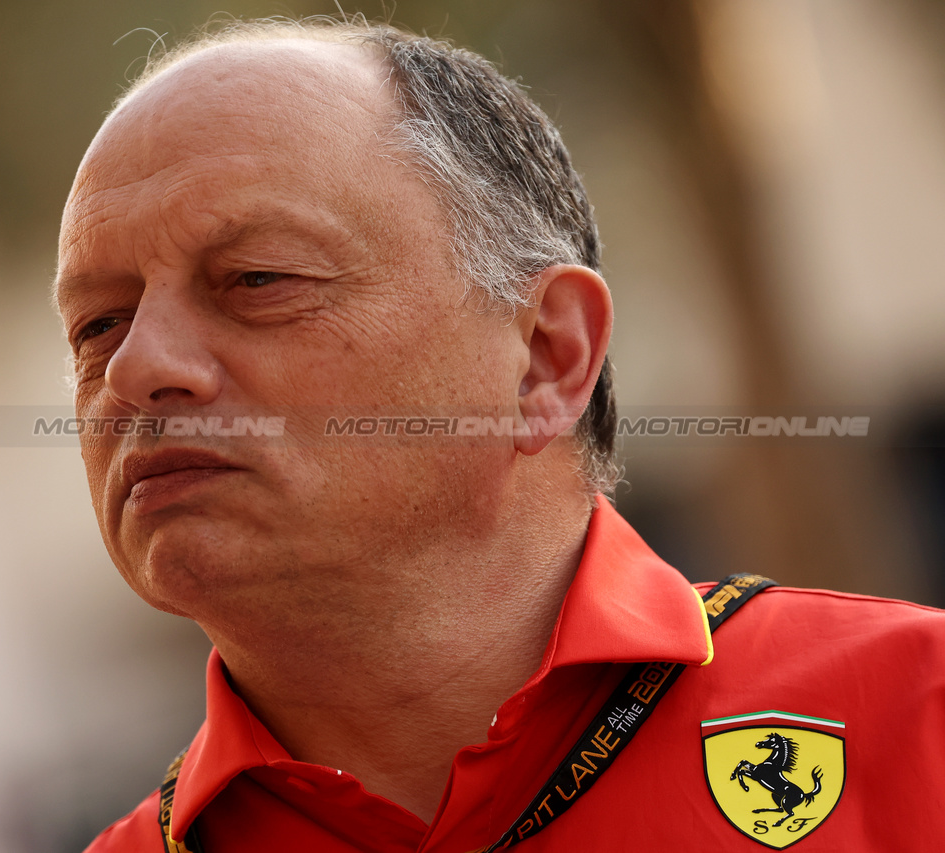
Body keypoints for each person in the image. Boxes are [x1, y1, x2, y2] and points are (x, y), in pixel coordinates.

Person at [53, 18, 945, 852]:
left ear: (546, 357)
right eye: (98, 326)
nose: (138, 368)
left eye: (256, 278)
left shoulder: (914, 716)